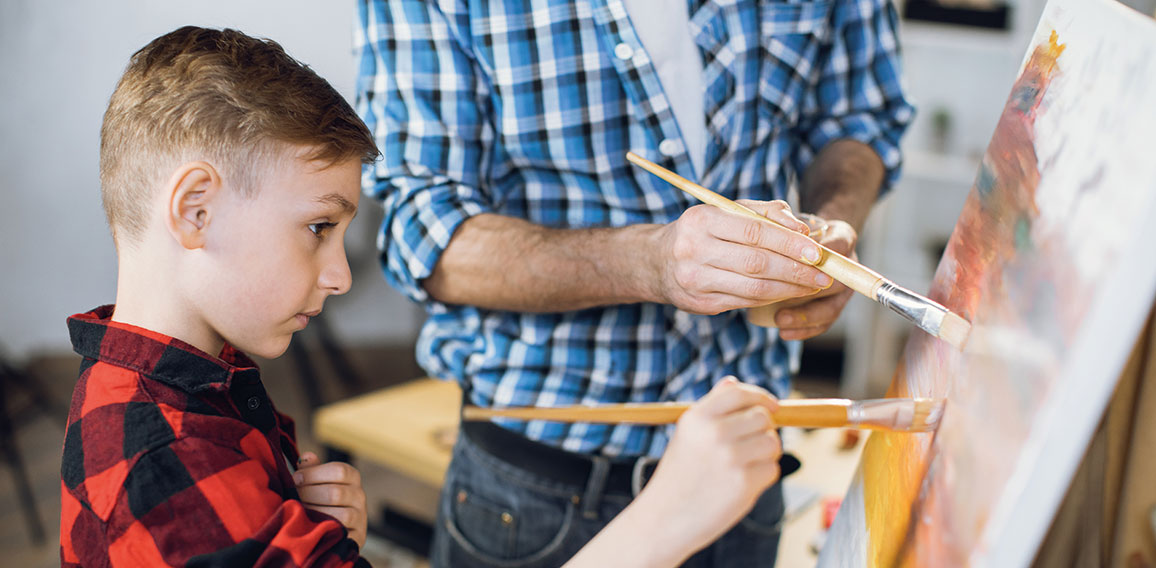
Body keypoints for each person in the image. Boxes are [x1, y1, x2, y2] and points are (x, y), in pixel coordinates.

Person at [59, 25, 790, 568]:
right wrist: (666, 519)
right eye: (317, 227)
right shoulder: (162, 455)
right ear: (195, 210)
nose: (340, 274)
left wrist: (303, 534)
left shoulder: (163, 395)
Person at [356, 0, 914, 565]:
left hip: (747, 465)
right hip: (539, 490)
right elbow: (425, 235)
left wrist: (834, 221)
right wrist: (650, 262)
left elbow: (856, 121)